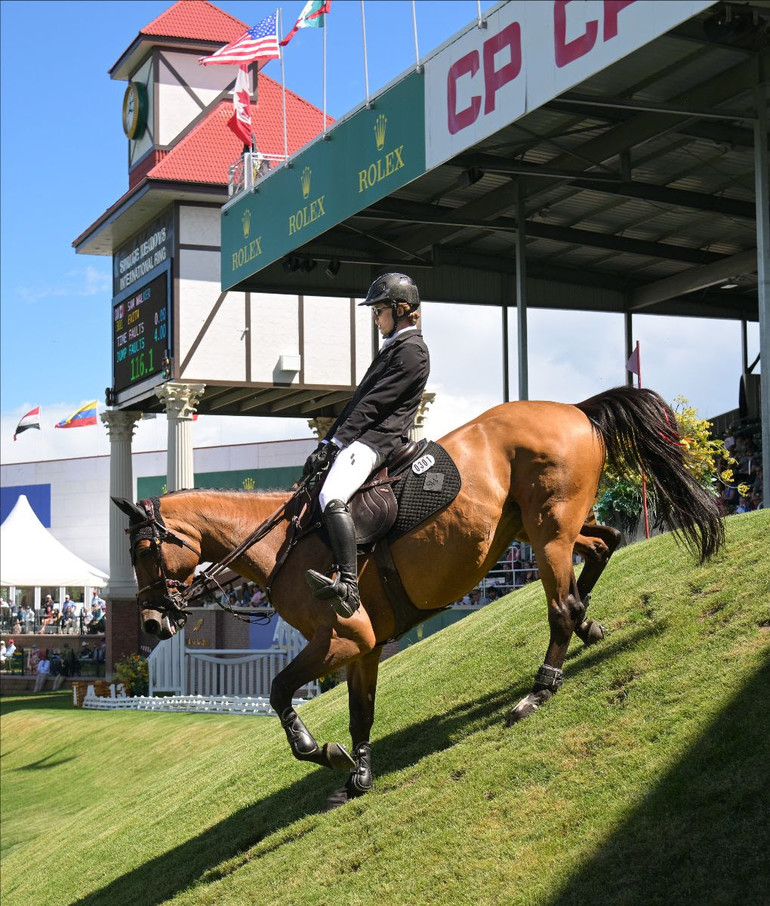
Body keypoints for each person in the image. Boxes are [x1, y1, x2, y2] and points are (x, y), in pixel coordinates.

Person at [303, 273, 430, 618]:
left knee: (332, 496)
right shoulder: (393, 348)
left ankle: (348, 585)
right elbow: (358, 402)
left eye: (379, 311)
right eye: (373, 312)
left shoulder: (412, 351)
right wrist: (328, 442)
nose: (375, 318)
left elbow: (374, 404)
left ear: (400, 309)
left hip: (380, 440)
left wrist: (339, 442)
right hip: (363, 437)